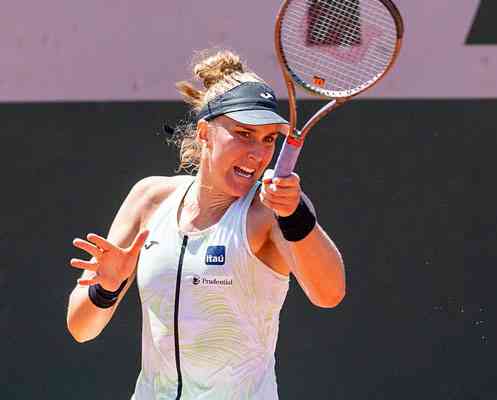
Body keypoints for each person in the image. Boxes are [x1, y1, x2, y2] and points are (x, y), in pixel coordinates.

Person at [66, 49, 346, 399]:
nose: (258, 154)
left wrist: (296, 215)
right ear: (205, 132)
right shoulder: (149, 200)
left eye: (269, 139)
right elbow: (81, 328)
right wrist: (105, 289)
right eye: (244, 134)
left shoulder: (271, 212)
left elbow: (330, 293)